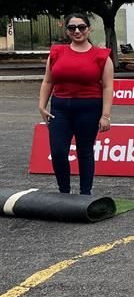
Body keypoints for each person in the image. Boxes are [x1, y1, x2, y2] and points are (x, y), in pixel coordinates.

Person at [37, 13, 115, 195]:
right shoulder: (57, 52)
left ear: (89, 29)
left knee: (85, 151)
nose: (77, 31)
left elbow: (108, 87)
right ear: (67, 31)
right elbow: (48, 81)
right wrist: (42, 105)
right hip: (60, 108)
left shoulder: (102, 56)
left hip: (89, 108)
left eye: (81, 27)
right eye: (72, 28)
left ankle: (85, 193)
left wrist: (105, 115)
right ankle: (64, 191)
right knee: (57, 152)